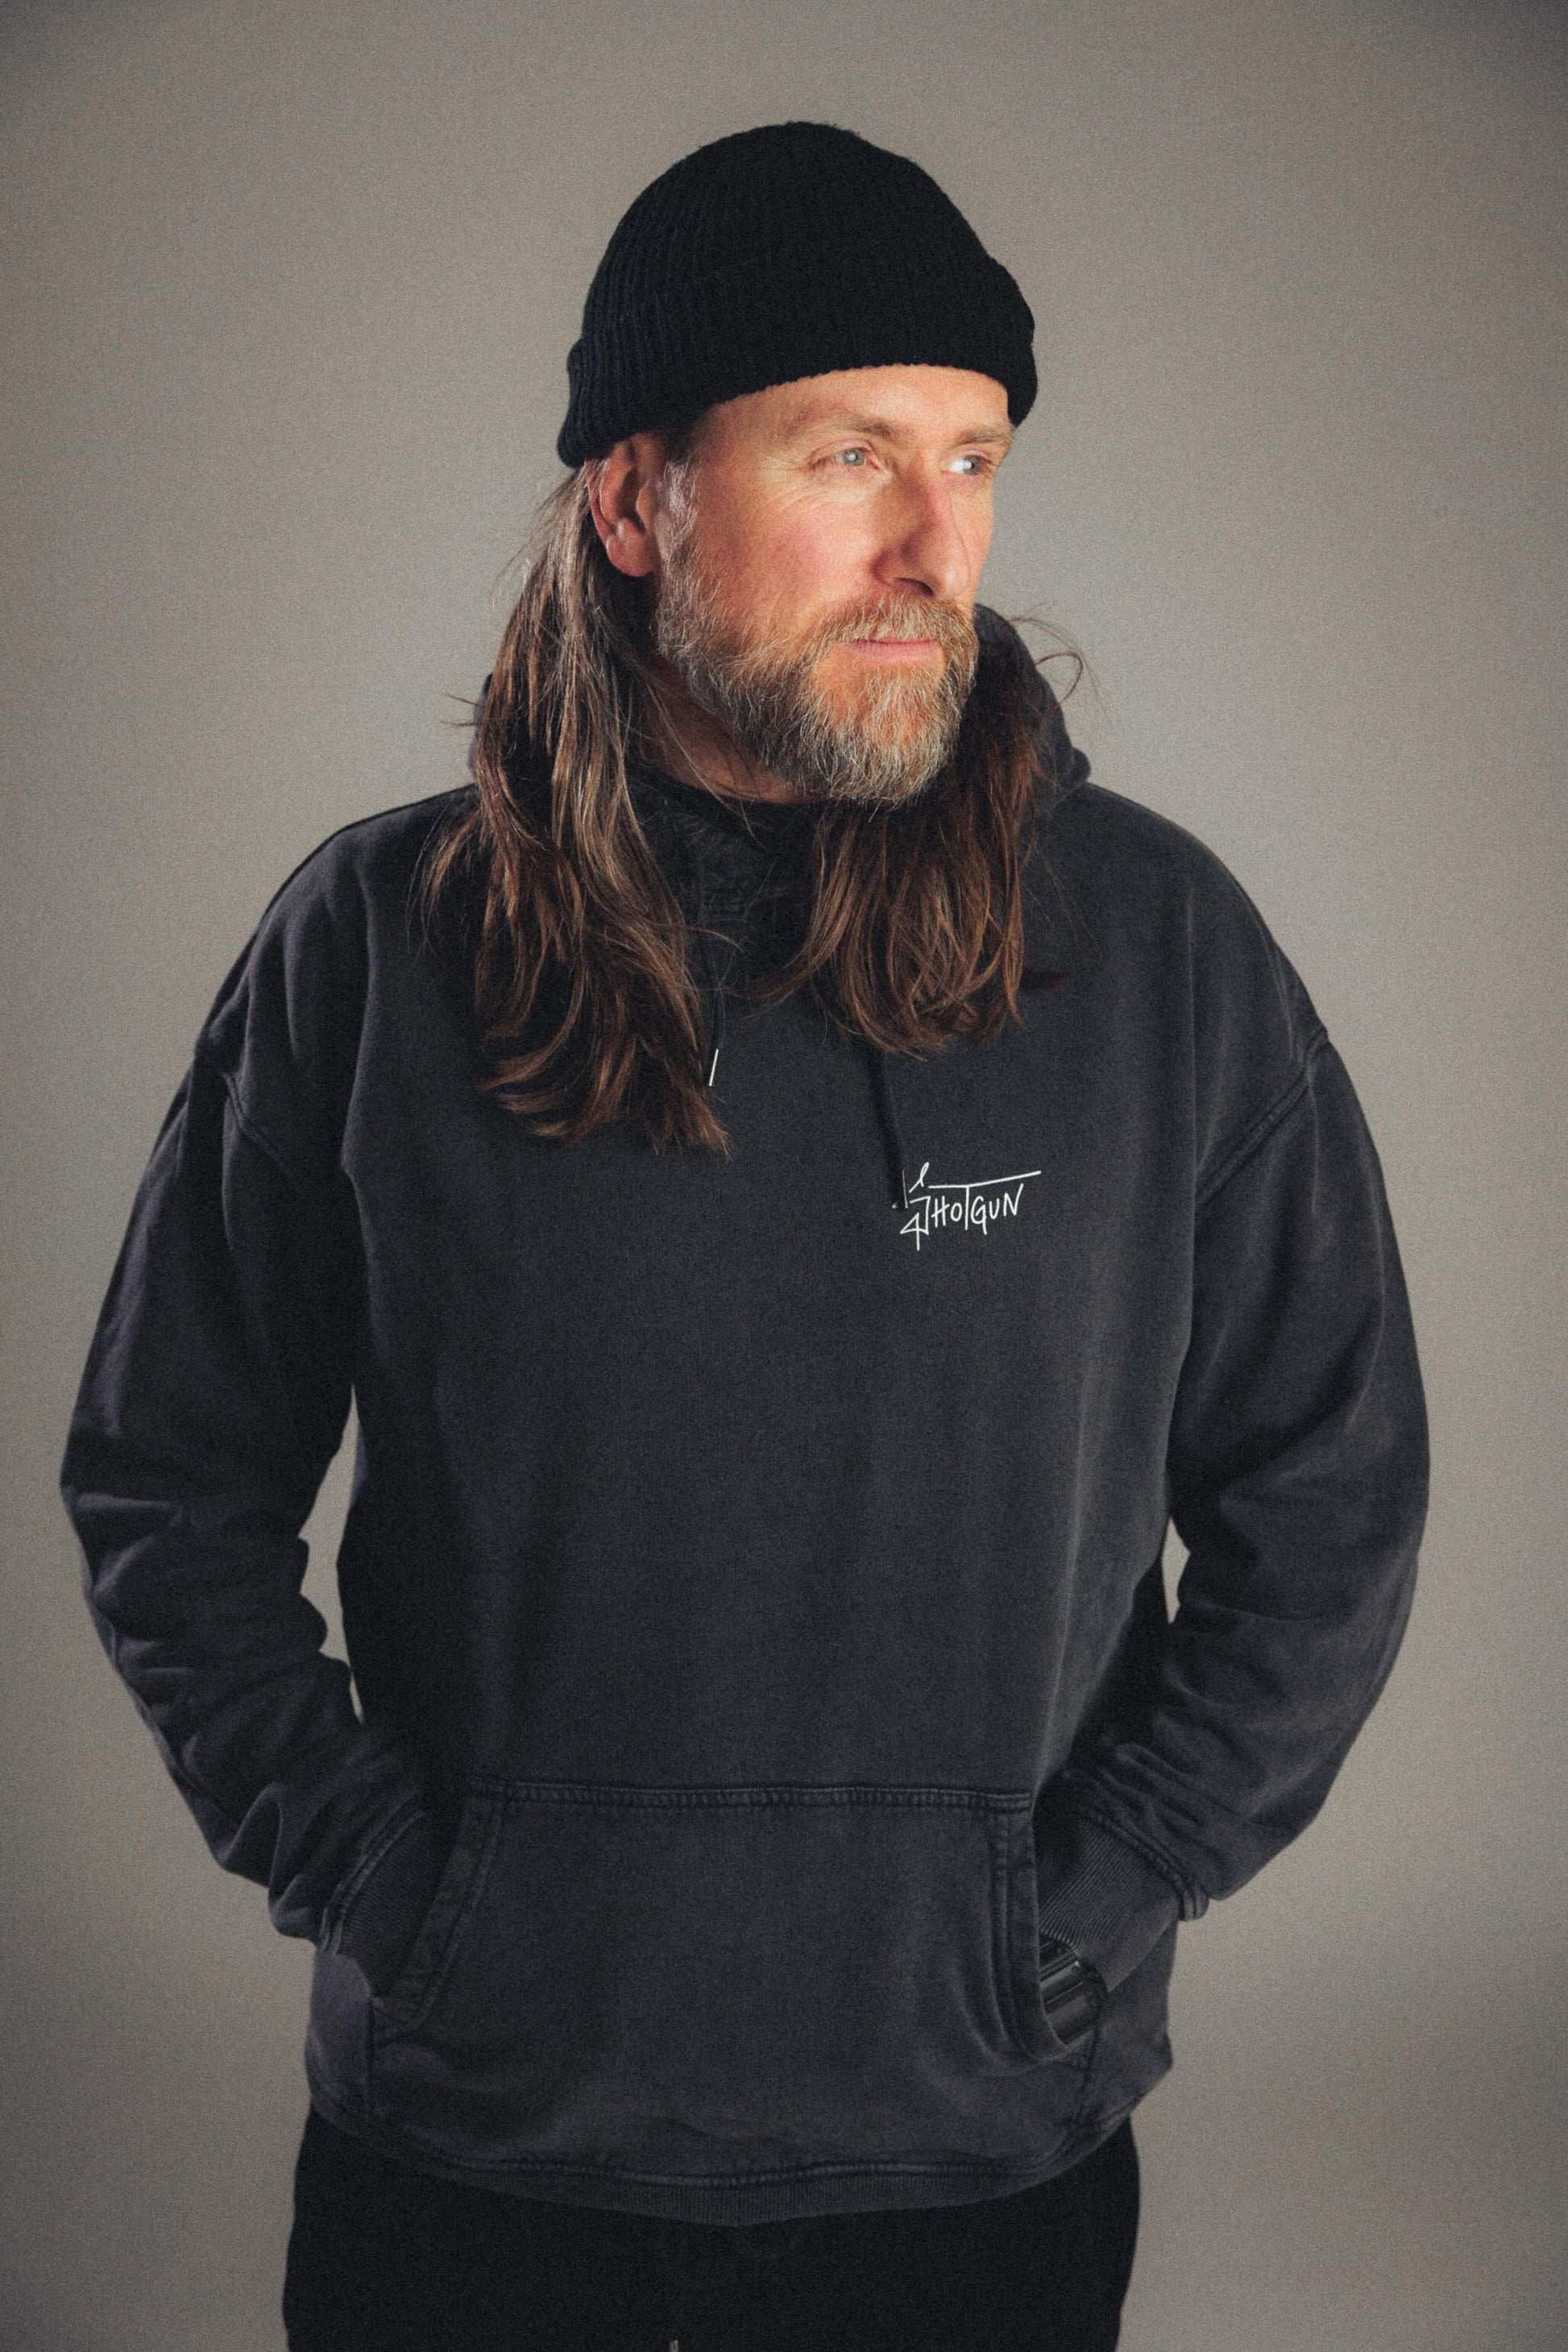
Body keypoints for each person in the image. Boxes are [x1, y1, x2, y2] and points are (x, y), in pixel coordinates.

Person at [59, 122, 1429, 2352]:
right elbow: (168, 1479)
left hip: (975, 2142)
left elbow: (1333, 1493)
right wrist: (391, 1889)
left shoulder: (1157, 951)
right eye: (847, 455)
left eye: (972, 462)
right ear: (636, 501)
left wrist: (1092, 1898)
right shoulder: (377, 948)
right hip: (479, 2143)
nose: (930, 544)